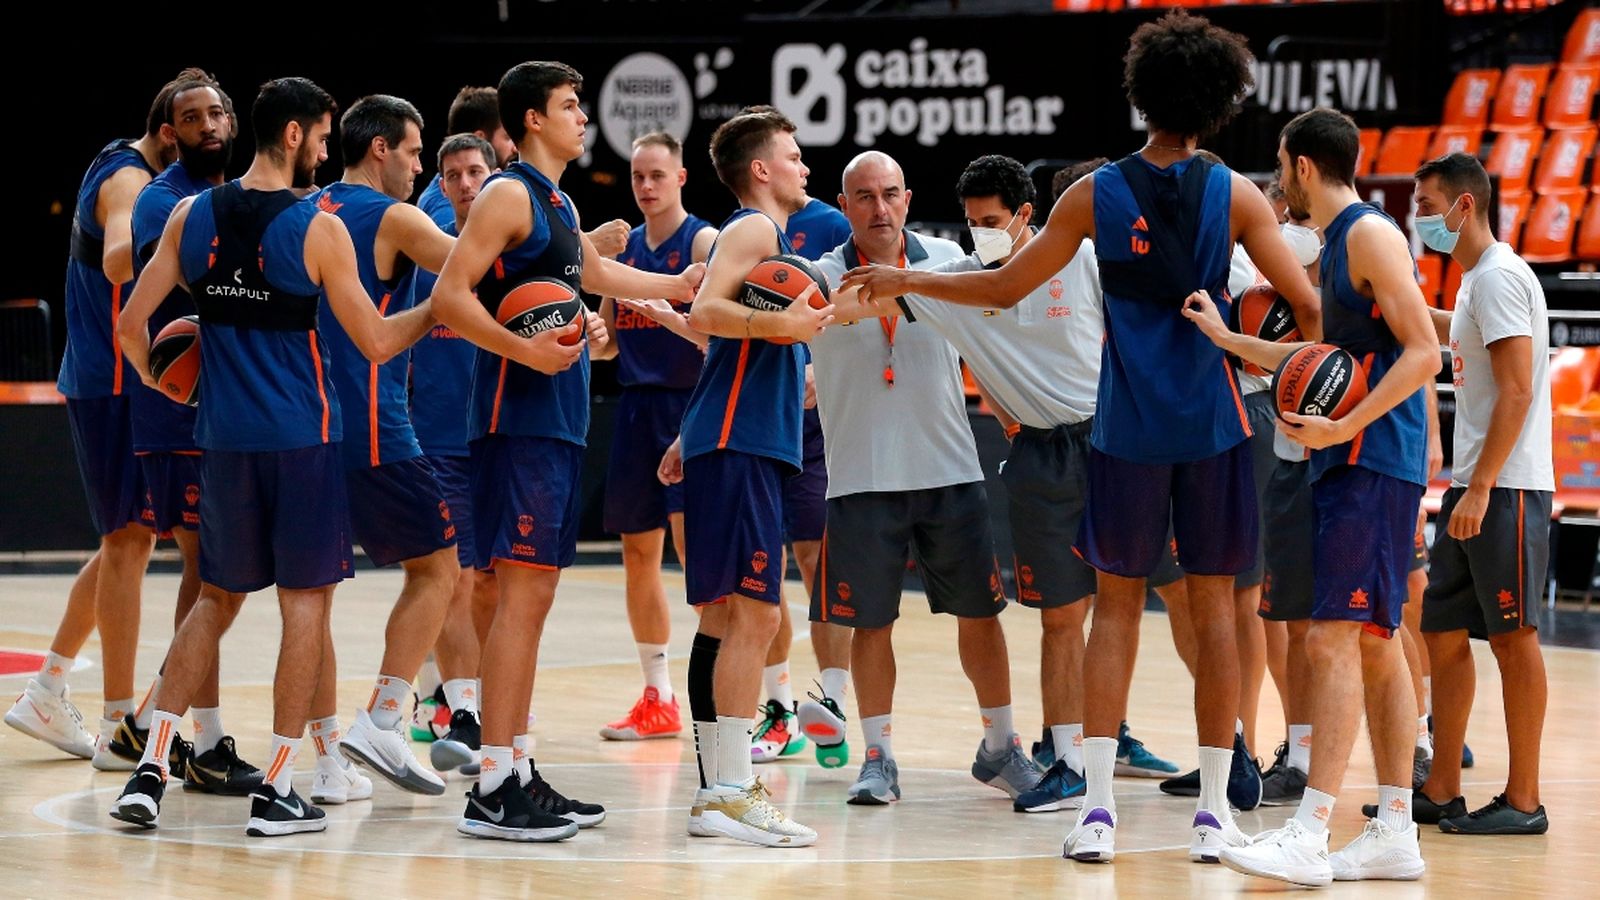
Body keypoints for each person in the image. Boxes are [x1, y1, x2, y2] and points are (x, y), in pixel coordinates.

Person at [842, 10, 1320, 865]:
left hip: (1125, 430)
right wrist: (1255, 352)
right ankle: (1216, 812)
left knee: (1115, 615)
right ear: (1218, 102)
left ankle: (1096, 809)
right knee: (1215, 618)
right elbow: (1311, 312)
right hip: (1212, 427)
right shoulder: (1239, 194)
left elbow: (998, 287)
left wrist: (904, 275)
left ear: (1141, 96)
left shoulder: (1094, 194)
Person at [109, 76, 437, 838]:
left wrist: (175, 389)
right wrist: (443, 301)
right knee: (304, 609)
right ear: (293, 135)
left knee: (213, 604)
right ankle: (280, 789)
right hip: (302, 443)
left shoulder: (191, 216)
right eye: (321, 136)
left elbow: (131, 325)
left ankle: (151, 769)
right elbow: (380, 340)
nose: (325, 150)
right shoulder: (316, 227)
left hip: (222, 443)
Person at [427, 60, 702, 843]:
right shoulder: (508, 193)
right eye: (572, 105)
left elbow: (594, 270)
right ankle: (492, 787)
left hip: (554, 423)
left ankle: (514, 766)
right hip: (516, 423)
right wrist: (518, 349)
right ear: (533, 121)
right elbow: (451, 293)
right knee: (519, 598)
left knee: (534, 598)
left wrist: (680, 285)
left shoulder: (555, 201)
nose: (584, 117)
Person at [1187, 107, 1439, 887]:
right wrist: (1232, 342)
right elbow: (1322, 354)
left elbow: (1425, 350)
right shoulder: (1337, 245)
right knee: (1375, 640)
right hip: (1360, 460)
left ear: (1299, 167)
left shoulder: (1368, 235)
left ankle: (1310, 828)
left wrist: (1347, 427)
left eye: (1279, 163)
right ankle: (1395, 830)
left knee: (1331, 638)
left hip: (1370, 461)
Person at [807, 151, 1035, 807]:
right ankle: (877, 756)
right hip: (859, 478)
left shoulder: (946, 261)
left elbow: (996, 330)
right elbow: (806, 323)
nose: (879, 208)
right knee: (871, 625)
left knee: (981, 616)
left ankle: (1001, 746)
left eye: (889, 194)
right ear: (844, 205)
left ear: (907, 198)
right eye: (863, 196)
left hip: (949, 470)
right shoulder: (819, 276)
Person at [5, 73, 185, 764]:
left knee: (125, 541)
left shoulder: (127, 164)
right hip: (113, 382)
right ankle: (118, 723)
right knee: (130, 545)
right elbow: (117, 259)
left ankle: (48, 687)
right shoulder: (131, 183)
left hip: (109, 379)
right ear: (168, 131)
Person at [668, 105, 831, 847]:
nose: (804, 166)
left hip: (733, 437)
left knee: (732, 615)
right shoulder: (755, 229)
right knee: (757, 614)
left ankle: (718, 790)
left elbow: (726, 350)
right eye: (793, 155)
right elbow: (706, 310)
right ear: (761, 169)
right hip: (740, 443)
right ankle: (729, 792)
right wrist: (787, 329)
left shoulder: (766, 243)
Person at [303, 95, 462, 803]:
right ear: (379, 150)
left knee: (311, 599)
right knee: (439, 569)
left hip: (302, 426)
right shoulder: (392, 218)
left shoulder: (306, 210)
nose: (417, 164)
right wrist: (582, 265)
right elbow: (477, 267)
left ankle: (326, 758)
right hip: (371, 422)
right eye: (412, 150)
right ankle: (387, 716)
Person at [108, 71, 262, 794]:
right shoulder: (162, 203)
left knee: (211, 577)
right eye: (192, 118)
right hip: (180, 411)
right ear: (171, 131)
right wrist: (150, 377)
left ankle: (157, 723)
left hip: (218, 411)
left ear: (233, 121)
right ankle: (193, 740)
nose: (207, 125)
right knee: (210, 576)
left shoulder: (221, 194)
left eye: (216, 114)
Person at [1412, 151, 1551, 835]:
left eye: (1427, 208)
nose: (1418, 221)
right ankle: (1442, 785)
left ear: (1465, 207)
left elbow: (1519, 389)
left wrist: (1484, 486)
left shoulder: (1497, 279)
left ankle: (1525, 799)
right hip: (1473, 484)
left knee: (1514, 638)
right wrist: (1402, 307)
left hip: (1506, 488)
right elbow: (1458, 331)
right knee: (1440, 630)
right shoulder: (1474, 284)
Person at [594, 131, 715, 743]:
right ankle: (658, 696)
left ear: (681, 178)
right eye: (638, 176)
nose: (646, 186)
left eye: (657, 175)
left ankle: (749, 699)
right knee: (638, 556)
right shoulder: (624, 249)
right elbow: (614, 339)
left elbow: (723, 334)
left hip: (690, 407)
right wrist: (593, 335)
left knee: (700, 560)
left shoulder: (703, 241)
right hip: (637, 408)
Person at [410, 133, 501, 775]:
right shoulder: (421, 245)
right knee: (454, 576)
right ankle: (462, 710)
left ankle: (495, 709)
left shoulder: (517, 243)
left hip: (504, 432)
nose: (465, 183)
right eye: (453, 175)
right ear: (441, 185)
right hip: (438, 434)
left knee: (498, 584)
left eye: (475, 172)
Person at [752, 194, 855, 768]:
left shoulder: (831, 226)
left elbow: (845, 308)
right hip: (763, 416)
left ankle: (832, 707)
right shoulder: (744, 233)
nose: (803, 167)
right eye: (792, 156)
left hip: (817, 426)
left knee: (819, 561)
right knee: (763, 566)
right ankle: (779, 708)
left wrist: (823, 363)